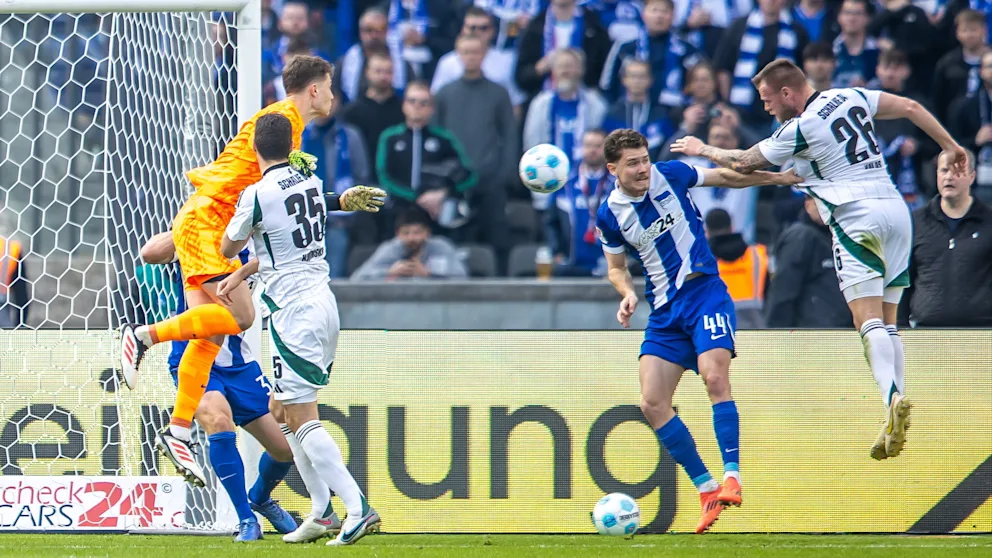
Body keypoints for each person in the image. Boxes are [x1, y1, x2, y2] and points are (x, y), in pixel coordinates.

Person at [671, 58, 969, 461]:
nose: (766, 107)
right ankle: (893, 401)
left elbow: (742, 163)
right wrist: (950, 145)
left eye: (767, 99)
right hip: (897, 211)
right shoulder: (850, 95)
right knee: (889, 320)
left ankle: (892, 397)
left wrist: (701, 148)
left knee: (866, 320)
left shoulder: (800, 128)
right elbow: (911, 107)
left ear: (787, 92)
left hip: (855, 216)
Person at [118, 56, 338, 485]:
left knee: (210, 333)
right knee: (241, 317)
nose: (333, 96)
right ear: (314, 89)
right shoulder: (283, 123)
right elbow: (276, 196)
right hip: (212, 222)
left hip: (206, 218)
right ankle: (144, 336)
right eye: (329, 86)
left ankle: (178, 431)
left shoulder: (285, 122)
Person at [596, 128, 801, 534]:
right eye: (633, 163)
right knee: (652, 403)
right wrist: (627, 294)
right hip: (665, 312)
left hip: (705, 293)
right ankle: (707, 489)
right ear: (612, 169)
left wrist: (778, 178)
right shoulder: (609, 214)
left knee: (714, 377)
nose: (643, 169)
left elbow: (726, 176)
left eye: (644, 159)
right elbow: (616, 268)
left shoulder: (671, 173)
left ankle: (732, 477)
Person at [219, 113, 383, 546]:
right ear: (291, 146)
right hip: (320, 301)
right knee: (280, 410)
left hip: (293, 313)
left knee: (302, 416)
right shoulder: (310, 181)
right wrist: (245, 272)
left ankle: (357, 507)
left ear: (254, 149)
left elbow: (228, 246)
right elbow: (285, 244)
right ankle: (321, 512)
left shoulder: (256, 193)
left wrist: (235, 227)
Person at [137, 235, 314, 543]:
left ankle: (260, 498)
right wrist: (189, 221)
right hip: (195, 358)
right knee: (219, 422)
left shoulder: (261, 236)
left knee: (285, 450)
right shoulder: (202, 235)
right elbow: (150, 253)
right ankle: (246, 518)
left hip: (241, 363)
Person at [902, 150, 992, 327]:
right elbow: (903, 282)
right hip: (926, 331)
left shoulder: (989, 221)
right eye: (944, 170)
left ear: (972, 177)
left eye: (957, 171)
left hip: (983, 332)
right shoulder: (915, 223)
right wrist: (900, 327)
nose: (949, 177)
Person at [765, 196, 853, 328]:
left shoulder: (845, 238)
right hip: (812, 332)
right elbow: (783, 291)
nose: (825, 208)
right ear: (807, 205)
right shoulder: (801, 237)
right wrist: (778, 334)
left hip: (844, 330)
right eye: (820, 202)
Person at [351, 208, 468, 280]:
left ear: (427, 233)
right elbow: (357, 278)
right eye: (406, 233)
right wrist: (389, 272)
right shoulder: (390, 249)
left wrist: (428, 273)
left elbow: (462, 278)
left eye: (417, 233)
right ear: (398, 234)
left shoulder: (441, 247)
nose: (411, 238)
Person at [704, 208, 769, 329]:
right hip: (755, 331)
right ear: (731, 227)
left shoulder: (702, 261)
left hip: (717, 332)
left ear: (706, 231)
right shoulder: (757, 255)